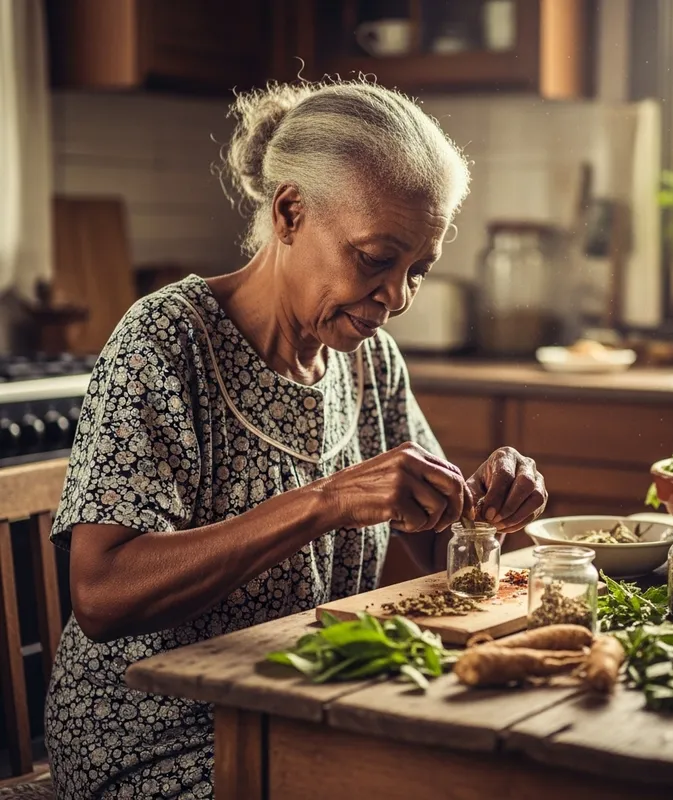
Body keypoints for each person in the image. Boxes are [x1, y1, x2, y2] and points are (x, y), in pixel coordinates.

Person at [44, 80, 548, 799]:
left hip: (300, 709)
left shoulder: (370, 360)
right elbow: (101, 596)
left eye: (418, 270)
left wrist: (480, 509)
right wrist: (328, 501)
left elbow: (436, 544)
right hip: (162, 736)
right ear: (289, 213)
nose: (398, 296)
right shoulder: (167, 340)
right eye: (375, 258)